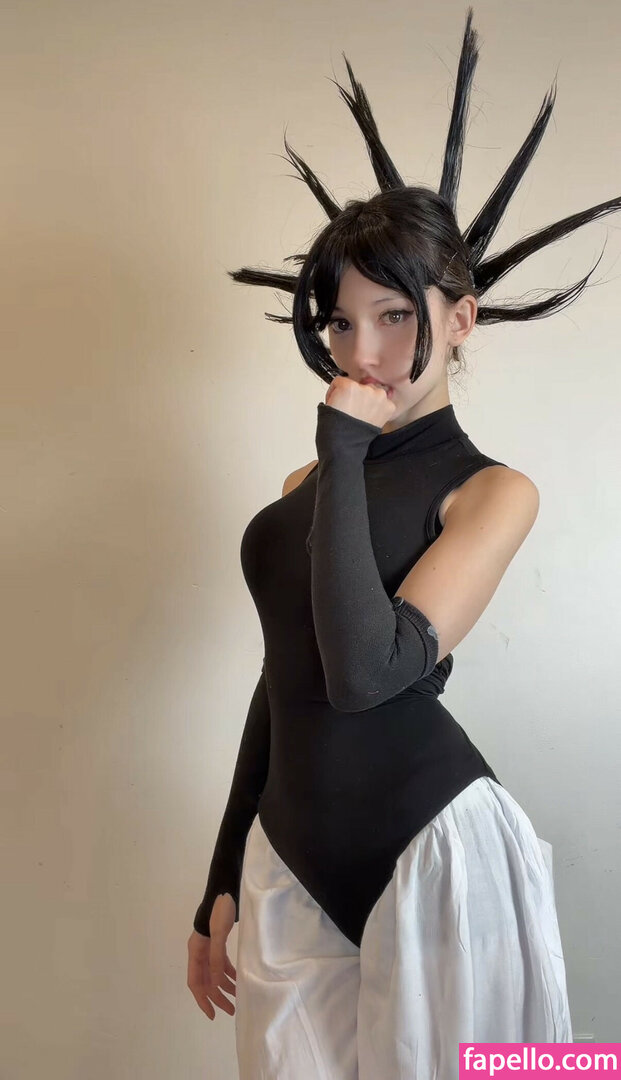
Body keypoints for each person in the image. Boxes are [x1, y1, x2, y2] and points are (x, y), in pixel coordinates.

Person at [187, 8, 620, 1076]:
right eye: (340, 322)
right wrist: (223, 867)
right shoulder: (308, 485)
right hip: (288, 857)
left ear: (459, 320)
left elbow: (368, 672)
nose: (362, 351)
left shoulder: (492, 493)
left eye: (393, 316)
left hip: (437, 853)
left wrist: (342, 449)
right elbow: (286, 672)